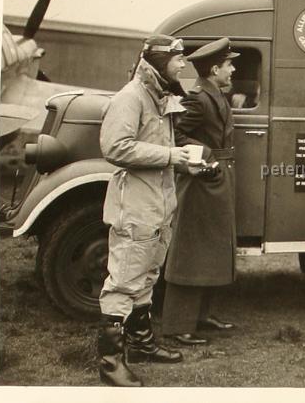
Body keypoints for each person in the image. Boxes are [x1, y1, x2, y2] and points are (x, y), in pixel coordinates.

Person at [98, 35, 189, 387]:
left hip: (156, 205)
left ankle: (140, 343)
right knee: (123, 281)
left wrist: (180, 162)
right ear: (159, 60)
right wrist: (169, 156)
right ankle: (109, 365)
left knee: (148, 275)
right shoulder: (130, 97)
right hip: (134, 207)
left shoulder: (156, 95)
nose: (182, 65)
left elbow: (153, 148)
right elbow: (115, 147)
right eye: (178, 58)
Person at [161, 37, 241, 346]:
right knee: (191, 253)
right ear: (215, 68)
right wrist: (206, 155)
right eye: (229, 64)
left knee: (212, 251)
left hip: (215, 180)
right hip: (200, 181)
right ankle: (178, 326)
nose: (232, 69)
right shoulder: (198, 98)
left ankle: (202, 316)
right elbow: (176, 134)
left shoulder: (214, 94)